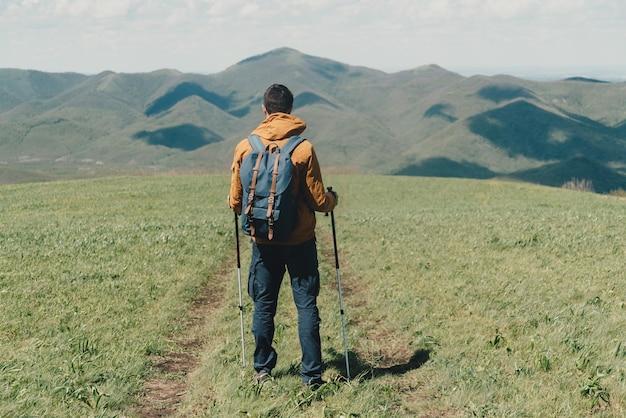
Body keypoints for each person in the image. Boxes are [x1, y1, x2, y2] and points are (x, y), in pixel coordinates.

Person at [228, 84, 338, 389]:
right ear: (290, 110)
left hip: (263, 242)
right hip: (300, 241)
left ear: (264, 110)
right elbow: (318, 201)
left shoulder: (244, 147)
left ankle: (262, 370)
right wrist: (333, 200)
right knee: (306, 306)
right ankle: (311, 377)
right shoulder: (303, 148)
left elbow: (236, 203)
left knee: (263, 305)